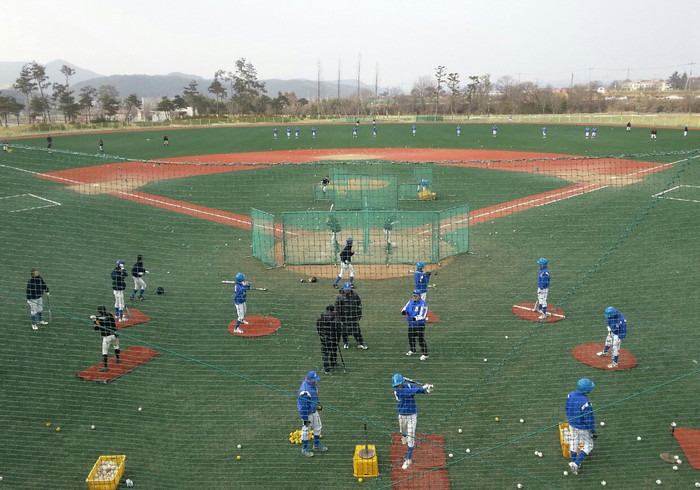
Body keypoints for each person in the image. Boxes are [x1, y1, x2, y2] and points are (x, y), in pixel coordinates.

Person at [392, 373, 433, 470]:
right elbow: (409, 392)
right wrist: (422, 387)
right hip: (402, 415)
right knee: (403, 432)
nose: (397, 387)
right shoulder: (397, 392)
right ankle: (404, 436)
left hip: (412, 416)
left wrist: (427, 390)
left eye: (398, 385)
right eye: (395, 385)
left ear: (402, 383)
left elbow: (418, 391)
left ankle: (408, 459)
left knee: (411, 437)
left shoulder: (409, 386)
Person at [565, 378, 596, 476]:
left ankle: (573, 461)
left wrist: (570, 419)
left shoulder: (570, 395)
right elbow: (589, 419)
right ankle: (576, 463)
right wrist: (592, 431)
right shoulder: (586, 403)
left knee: (574, 441)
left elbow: (567, 408)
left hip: (572, 423)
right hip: (582, 427)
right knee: (589, 445)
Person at [297, 370, 327, 456]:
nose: (315, 381)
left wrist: (317, 404)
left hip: (314, 411)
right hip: (307, 414)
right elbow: (303, 407)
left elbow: (314, 397)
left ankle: (316, 445)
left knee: (318, 426)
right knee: (306, 430)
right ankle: (304, 448)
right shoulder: (305, 391)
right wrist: (305, 419)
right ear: (308, 379)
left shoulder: (313, 385)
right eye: (313, 380)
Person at [335, 282, 366, 349]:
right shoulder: (339, 297)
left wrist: (359, 314)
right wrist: (338, 318)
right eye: (346, 289)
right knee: (344, 331)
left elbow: (359, 304)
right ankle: (346, 343)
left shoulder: (355, 294)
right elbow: (337, 308)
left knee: (357, 330)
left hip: (353, 316)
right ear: (343, 288)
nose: (347, 291)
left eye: (348, 289)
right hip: (344, 317)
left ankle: (360, 343)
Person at [90, 305, 120, 372]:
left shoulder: (99, 319)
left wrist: (95, 320)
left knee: (104, 352)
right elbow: (105, 318)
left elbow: (96, 328)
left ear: (99, 312)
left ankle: (105, 367)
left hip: (107, 337)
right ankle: (118, 359)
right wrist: (95, 319)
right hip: (115, 335)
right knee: (116, 346)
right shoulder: (110, 314)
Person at [401, 290, 429, 360]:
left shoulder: (423, 304)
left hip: (419, 324)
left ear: (420, 296)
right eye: (414, 296)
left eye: (416, 296)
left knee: (420, 339)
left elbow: (423, 315)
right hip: (411, 324)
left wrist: (415, 318)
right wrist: (403, 312)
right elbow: (405, 308)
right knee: (411, 337)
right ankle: (413, 350)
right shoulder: (410, 302)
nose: (414, 297)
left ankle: (425, 354)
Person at [316, 304, 342, 374]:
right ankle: (333, 363)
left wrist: (321, 335)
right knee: (333, 351)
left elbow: (318, 326)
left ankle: (327, 369)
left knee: (325, 354)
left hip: (324, 339)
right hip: (333, 339)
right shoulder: (336, 318)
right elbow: (339, 329)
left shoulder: (321, 317)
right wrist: (338, 338)